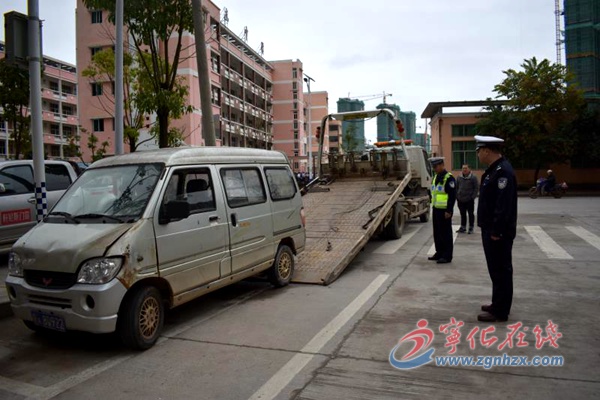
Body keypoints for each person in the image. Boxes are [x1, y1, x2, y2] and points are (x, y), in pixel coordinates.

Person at [474, 135, 517, 323]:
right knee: (496, 270)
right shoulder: (494, 170)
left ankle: (500, 311)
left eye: (478, 151)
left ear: (486, 151)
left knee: (501, 270)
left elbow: (503, 205)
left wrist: (497, 231)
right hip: (491, 229)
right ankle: (497, 303)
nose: (477, 154)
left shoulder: (503, 172)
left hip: (498, 232)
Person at [427, 157, 456, 264]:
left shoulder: (449, 178)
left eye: (436, 166)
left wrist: (449, 210)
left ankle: (447, 256)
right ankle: (439, 252)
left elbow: (452, 196)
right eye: (433, 167)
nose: (434, 168)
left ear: (442, 165)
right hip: (436, 209)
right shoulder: (436, 177)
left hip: (444, 211)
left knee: (445, 234)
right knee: (437, 233)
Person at [455, 164, 479, 234]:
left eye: (466, 168)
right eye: (463, 168)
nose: (464, 170)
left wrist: (473, 197)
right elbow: (456, 187)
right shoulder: (459, 177)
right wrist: (457, 196)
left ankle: (471, 227)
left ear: (469, 169)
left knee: (470, 214)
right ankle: (463, 227)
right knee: (462, 214)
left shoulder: (473, 177)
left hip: (469, 200)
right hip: (460, 199)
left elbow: (476, 188)